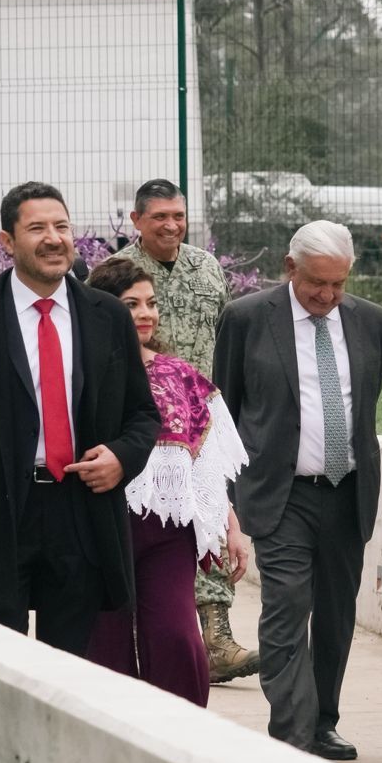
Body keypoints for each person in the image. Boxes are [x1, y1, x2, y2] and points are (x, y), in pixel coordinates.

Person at [0, 181, 160, 656]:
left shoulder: (109, 316)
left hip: (81, 510)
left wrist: (121, 457)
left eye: (62, 226)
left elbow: (142, 414)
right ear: (7, 241)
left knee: (68, 664)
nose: (54, 238)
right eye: (37, 228)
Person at [213, 220, 382, 759]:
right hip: (278, 492)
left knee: (336, 614)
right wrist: (226, 500)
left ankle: (323, 722)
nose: (328, 296)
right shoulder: (247, 319)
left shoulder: (370, 322)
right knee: (288, 603)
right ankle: (291, 732)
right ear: (290, 268)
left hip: (347, 489)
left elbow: (365, 402)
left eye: (339, 284)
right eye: (317, 283)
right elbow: (226, 407)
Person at [83, 258, 250, 707]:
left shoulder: (181, 376)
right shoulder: (76, 374)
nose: (146, 313)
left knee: (177, 638)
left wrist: (230, 527)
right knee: (105, 650)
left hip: (167, 537)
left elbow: (206, 468)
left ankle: (183, 742)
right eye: (131, 303)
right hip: (98, 534)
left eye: (151, 303)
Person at [111, 178, 256, 684]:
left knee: (207, 523)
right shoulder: (120, 274)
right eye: (159, 218)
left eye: (179, 215)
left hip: (193, 403)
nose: (172, 225)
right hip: (140, 425)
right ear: (136, 221)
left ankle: (216, 636)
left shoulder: (206, 267)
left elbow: (220, 335)